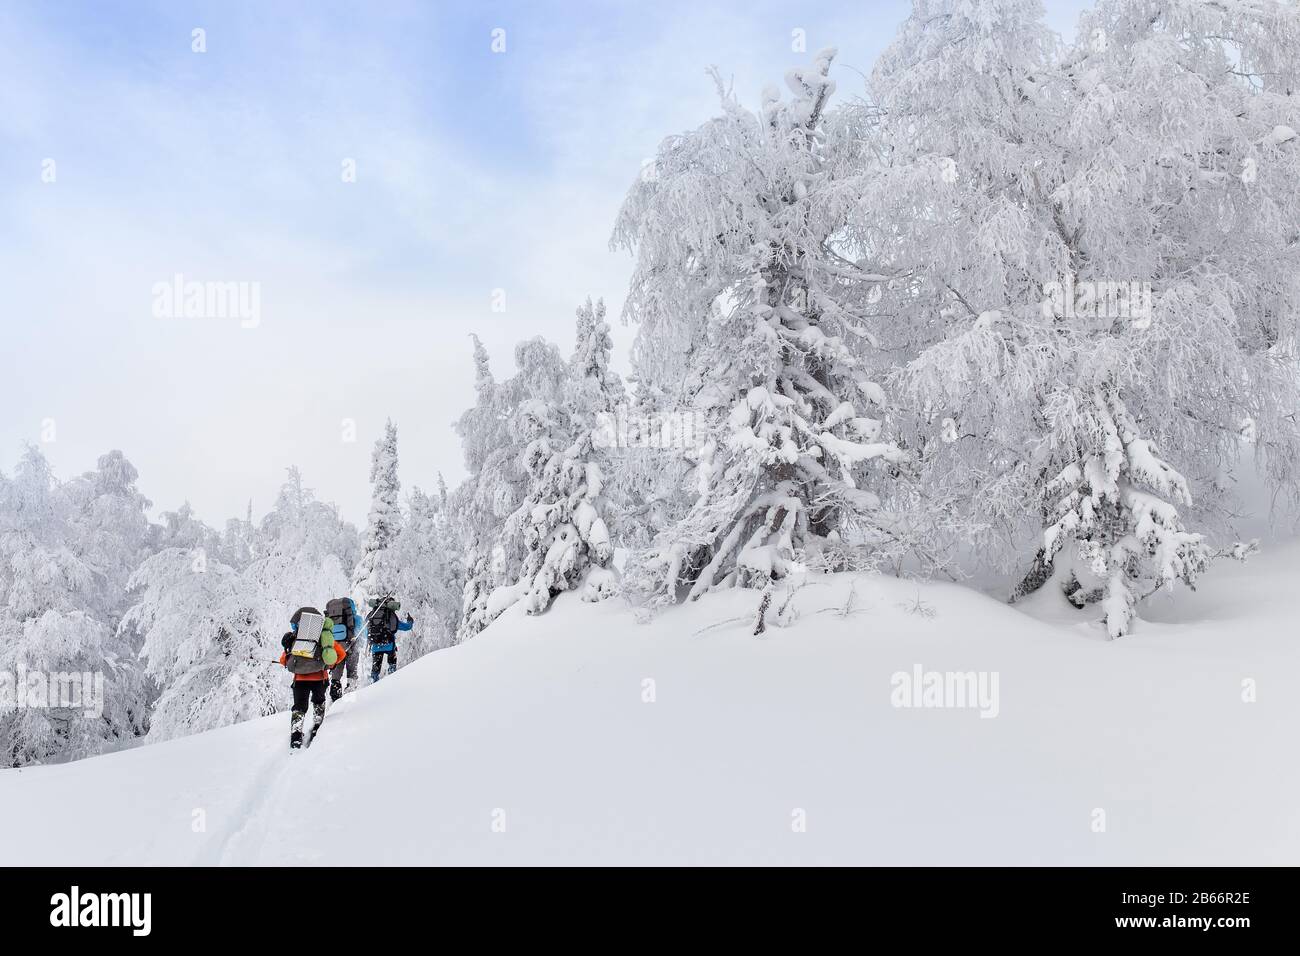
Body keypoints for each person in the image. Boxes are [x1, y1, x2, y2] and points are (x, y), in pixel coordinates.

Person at [279, 606, 346, 750]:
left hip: (300, 681)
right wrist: (329, 665)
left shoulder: (295, 638)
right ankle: (317, 728)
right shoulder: (324, 638)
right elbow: (341, 654)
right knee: (319, 702)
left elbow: (284, 660)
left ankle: (296, 736)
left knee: (299, 707)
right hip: (319, 680)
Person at [366, 595, 413, 683]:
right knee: (392, 665)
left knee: (375, 670)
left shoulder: (372, 614)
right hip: (389, 645)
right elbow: (406, 627)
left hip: (376, 646)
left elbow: (367, 627)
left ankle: (372, 685)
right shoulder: (391, 615)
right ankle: (392, 683)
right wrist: (410, 621)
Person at [324, 596, 360, 702]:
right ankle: (350, 695)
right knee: (352, 671)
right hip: (351, 647)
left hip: (336, 648)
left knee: (336, 672)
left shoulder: (331, 620)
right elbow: (361, 634)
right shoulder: (356, 619)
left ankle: (335, 696)